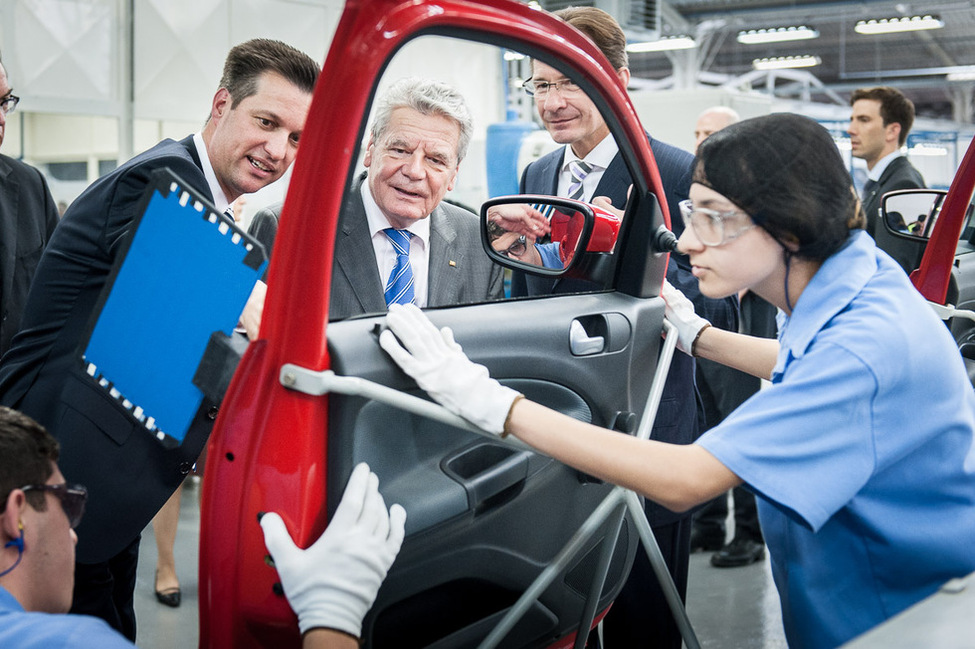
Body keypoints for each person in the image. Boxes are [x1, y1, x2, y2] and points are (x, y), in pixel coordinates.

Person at [378, 112, 975, 649]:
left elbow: (687, 479)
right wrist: (700, 336)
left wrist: (490, 402)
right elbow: (805, 359)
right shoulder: (858, 282)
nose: (687, 241)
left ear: (790, 225)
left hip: (897, 622)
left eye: (715, 219)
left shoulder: (864, 346)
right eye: (693, 215)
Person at [0, 38, 319, 638]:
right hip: (57, 478)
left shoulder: (205, 195)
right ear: (222, 104)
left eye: (296, 138)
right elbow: (237, 309)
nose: (278, 150)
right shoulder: (165, 178)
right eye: (267, 122)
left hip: (106, 491)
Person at [515, 7, 737, 648]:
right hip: (561, 420)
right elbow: (539, 292)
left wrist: (622, 259)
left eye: (570, 81)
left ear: (617, 78)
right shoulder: (536, 176)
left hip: (648, 425)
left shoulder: (676, 171)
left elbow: (715, 300)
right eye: (541, 85)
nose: (553, 102)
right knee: (562, 609)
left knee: (648, 614)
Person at [0, 405, 405, 649]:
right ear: (17, 513)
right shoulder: (69, 641)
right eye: (67, 503)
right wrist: (331, 620)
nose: (73, 532)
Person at [249, 77, 503, 319]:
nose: (414, 171)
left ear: (454, 174)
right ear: (371, 149)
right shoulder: (287, 229)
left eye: (435, 160)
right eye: (400, 150)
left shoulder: (479, 243)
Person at [688, 105, 772, 568]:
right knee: (706, 420)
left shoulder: (751, 197)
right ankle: (709, 523)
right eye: (698, 132)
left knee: (742, 423)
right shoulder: (698, 191)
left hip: (742, 323)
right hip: (703, 323)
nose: (702, 141)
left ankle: (751, 533)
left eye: (712, 133)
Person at [0, 52, 59, 357]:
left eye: (4, 103)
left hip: (16, 392)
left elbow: (61, 295)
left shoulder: (30, 185)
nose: (1, 119)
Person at [848, 86, 926, 272]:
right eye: (852, 120)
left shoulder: (901, 186)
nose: (851, 129)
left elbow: (894, 270)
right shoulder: (885, 181)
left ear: (892, 131)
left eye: (864, 120)